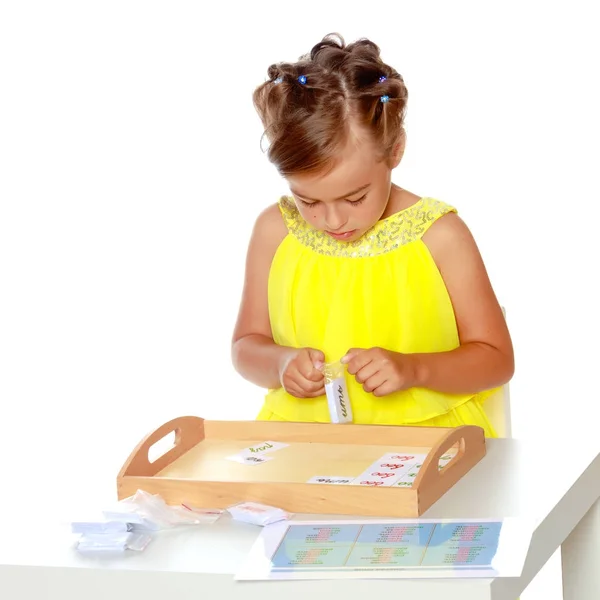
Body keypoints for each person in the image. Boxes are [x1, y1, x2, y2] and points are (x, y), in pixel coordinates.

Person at [231, 33, 514, 437]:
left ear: (395, 151)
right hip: (302, 441)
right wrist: (278, 363)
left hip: (423, 441)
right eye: (308, 201)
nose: (331, 220)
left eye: (355, 197)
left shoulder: (439, 236)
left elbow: (497, 359)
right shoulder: (274, 230)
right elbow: (245, 345)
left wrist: (414, 368)